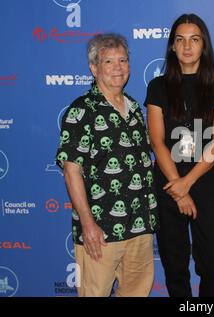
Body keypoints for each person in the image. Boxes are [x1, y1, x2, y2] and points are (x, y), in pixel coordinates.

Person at [56, 33, 158, 297]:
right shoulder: (82, 111)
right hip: (100, 231)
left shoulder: (135, 107)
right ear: (93, 68)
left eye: (122, 60)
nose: (117, 67)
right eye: (108, 61)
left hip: (139, 227)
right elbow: (71, 171)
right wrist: (88, 225)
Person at [145, 13, 214, 297]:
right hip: (169, 185)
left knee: (213, 266)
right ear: (171, 46)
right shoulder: (157, 87)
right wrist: (179, 189)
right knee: (175, 265)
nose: (186, 46)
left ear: (203, 45)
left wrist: (189, 182)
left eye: (194, 39)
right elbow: (157, 142)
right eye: (180, 40)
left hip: (205, 182)